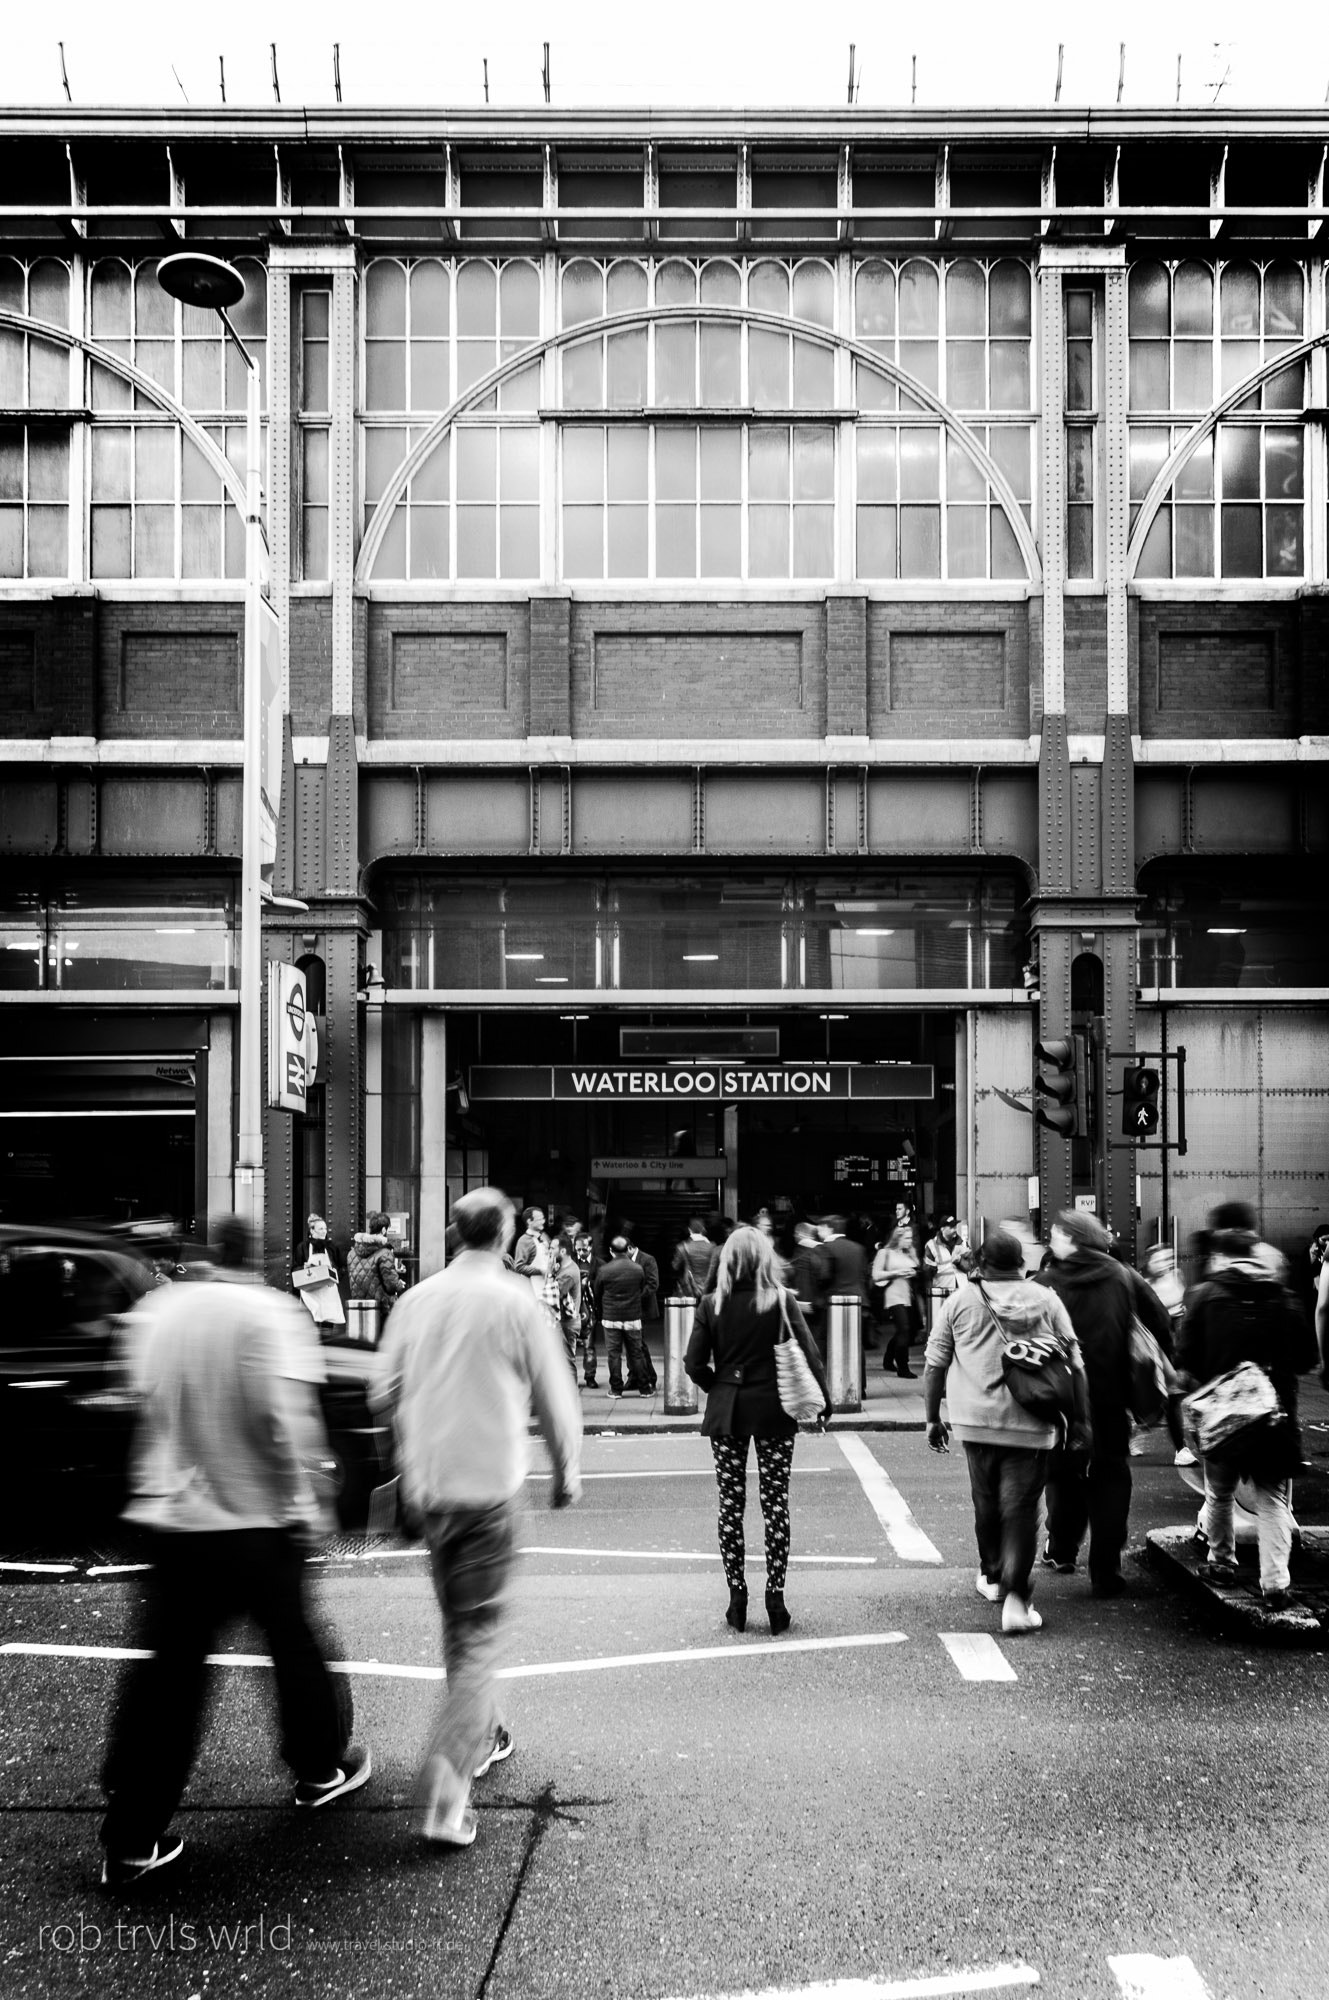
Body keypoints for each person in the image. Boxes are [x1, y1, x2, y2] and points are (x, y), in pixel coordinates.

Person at [99, 1217, 368, 1890]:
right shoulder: (269, 1313)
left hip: (173, 1519)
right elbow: (285, 1421)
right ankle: (318, 1769)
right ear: (263, 1257)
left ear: (200, 1255)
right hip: (253, 1523)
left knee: (168, 1678)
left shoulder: (156, 1313)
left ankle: (132, 1835)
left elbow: (137, 1403)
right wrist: (309, 1506)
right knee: (295, 1649)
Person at [375, 1187, 582, 1848]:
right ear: (503, 1234)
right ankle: (444, 1789)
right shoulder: (513, 1301)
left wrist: (402, 1462)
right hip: (488, 1494)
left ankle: (484, 1731)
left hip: (431, 1494)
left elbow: (381, 1392)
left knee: (458, 1627)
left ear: (456, 1234)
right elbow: (554, 1396)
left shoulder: (416, 1300)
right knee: (478, 1639)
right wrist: (565, 1470)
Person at [924, 1230, 1088, 1634]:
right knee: (1020, 1509)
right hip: (1031, 1423)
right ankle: (1017, 1598)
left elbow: (935, 1364)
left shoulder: (960, 1300)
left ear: (981, 1263)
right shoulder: (1045, 1298)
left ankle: (993, 1576)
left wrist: (933, 1417)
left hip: (975, 1421)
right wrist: (1080, 1417)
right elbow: (1074, 1360)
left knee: (986, 1501)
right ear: (1021, 1265)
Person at [684, 1225, 831, 1636]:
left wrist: (719, 1385)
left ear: (726, 1260)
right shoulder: (781, 1301)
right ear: (766, 1259)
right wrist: (824, 1403)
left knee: (731, 1506)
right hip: (775, 1409)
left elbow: (693, 1363)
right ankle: (776, 1598)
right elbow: (809, 1354)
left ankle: (736, 1599)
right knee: (775, 1504)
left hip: (728, 1410)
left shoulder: (711, 1304)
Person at [1176, 1227, 1314, 1610]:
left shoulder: (1206, 1297)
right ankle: (1275, 1584)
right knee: (1272, 1500)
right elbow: (1306, 1358)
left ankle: (1221, 1562)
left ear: (1221, 1257)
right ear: (1253, 1254)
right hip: (1274, 1416)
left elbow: (1187, 1356)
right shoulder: (1284, 1299)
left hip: (1224, 1413)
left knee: (1219, 1491)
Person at [1034, 1210, 1168, 1597]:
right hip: (1111, 1396)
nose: (1052, 1241)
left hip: (1060, 1398)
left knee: (1061, 1473)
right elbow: (1160, 1321)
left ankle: (1061, 1547)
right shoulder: (1123, 1276)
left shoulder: (1046, 1281)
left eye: (1058, 1234)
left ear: (1075, 1240)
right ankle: (1106, 1571)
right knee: (1110, 1477)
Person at [594, 1235, 654, 1396]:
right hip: (633, 1316)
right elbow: (642, 1289)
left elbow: (597, 1293)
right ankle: (645, 1388)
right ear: (628, 1249)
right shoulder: (637, 1269)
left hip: (611, 1317)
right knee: (636, 1353)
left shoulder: (604, 1270)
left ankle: (616, 1390)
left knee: (614, 1354)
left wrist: (600, 1313)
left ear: (611, 1251)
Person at [872, 1222, 918, 1378]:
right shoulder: (884, 1253)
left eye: (911, 1238)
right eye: (907, 1238)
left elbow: (917, 1266)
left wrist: (912, 1267)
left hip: (907, 1296)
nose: (910, 1241)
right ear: (897, 1238)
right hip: (892, 1295)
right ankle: (903, 1367)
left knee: (905, 1330)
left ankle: (888, 1358)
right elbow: (876, 1275)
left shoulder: (907, 1252)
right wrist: (896, 1273)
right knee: (904, 1329)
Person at [348, 1211, 406, 1320]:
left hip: (361, 1309)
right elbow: (391, 1285)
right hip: (382, 1308)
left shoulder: (352, 1254)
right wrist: (399, 1284)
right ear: (384, 1230)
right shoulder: (385, 1253)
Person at [570, 1227, 601, 1387]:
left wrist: (589, 1284)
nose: (581, 1252)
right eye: (578, 1249)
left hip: (590, 1310)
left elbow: (602, 1287)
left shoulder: (599, 1264)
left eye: (584, 1249)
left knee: (589, 1346)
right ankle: (570, 1377)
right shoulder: (568, 1262)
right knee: (570, 1346)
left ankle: (590, 1376)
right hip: (571, 1309)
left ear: (591, 1247)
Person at [511, 1206, 552, 1302]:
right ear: (529, 1221)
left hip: (546, 1289)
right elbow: (519, 1267)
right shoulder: (524, 1241)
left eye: (543, 1218)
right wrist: (541, 1271)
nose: (543, 1222)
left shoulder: (544, 1237)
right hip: (532, 1291)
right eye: (539, 1219)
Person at [673, 1217, 719, 1299]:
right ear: (703, 1229)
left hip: (688, 1290)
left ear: (689, 1230)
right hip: (709, 1290)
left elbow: (675, 1267)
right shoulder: (713, 1247)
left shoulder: (682, 1247)